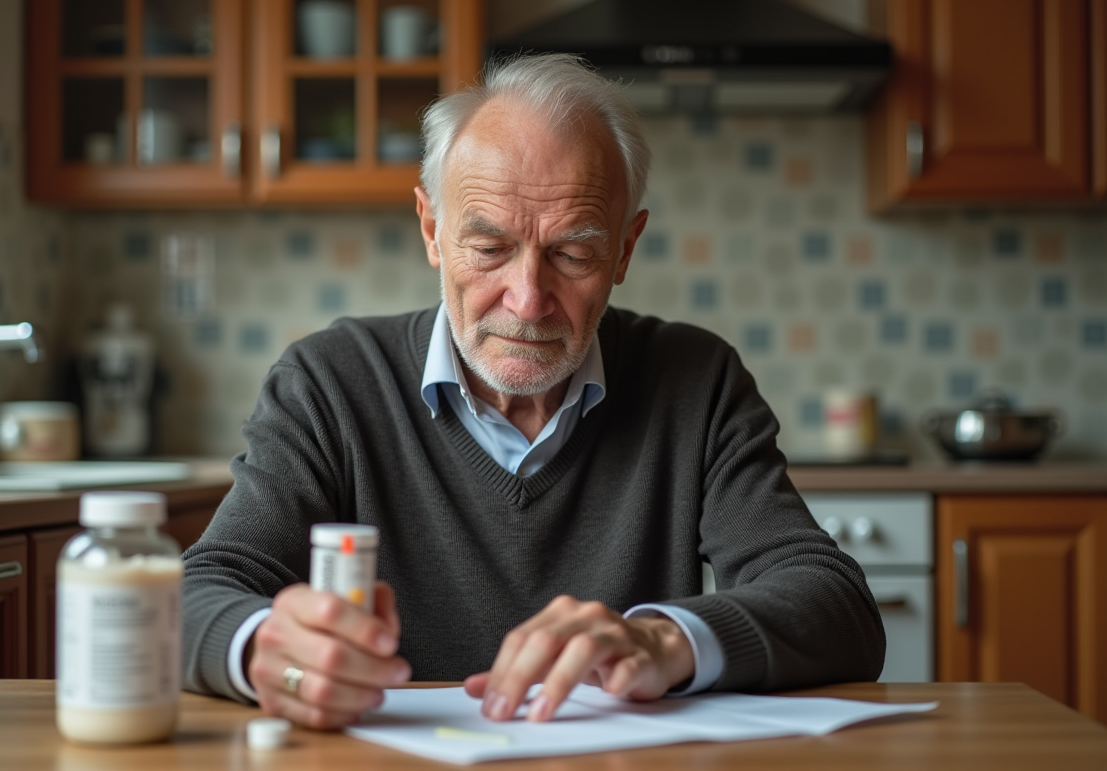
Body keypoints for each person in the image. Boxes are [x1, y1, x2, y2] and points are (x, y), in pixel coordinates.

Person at [181, 53, 885, 730]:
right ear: (433, 229)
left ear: (624, 251)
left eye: (573, 254)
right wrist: (261, 647)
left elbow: (836, 605)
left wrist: (663, 641)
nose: (527, 300)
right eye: (489, 249)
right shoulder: (328, 383)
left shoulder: (695, 381)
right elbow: (195, 593)